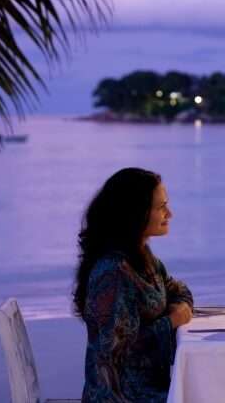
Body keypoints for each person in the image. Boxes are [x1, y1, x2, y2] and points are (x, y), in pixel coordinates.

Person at [73, 167, 193, 403]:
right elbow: (116, 351)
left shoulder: (141, 257)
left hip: (150, 387)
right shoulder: (113, 273)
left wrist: (178, 307)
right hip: (121, 397)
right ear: (135, 214)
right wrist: (172, 321)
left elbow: (178, 290)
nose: (170, 214)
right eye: (161, 207)